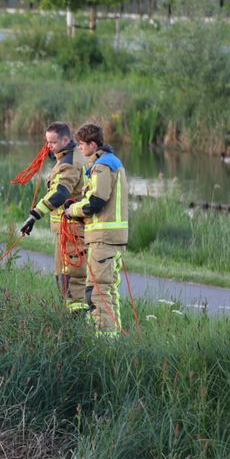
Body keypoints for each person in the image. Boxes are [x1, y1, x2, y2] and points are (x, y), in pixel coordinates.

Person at [64, 123, 129, 337]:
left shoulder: (102, 166)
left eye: (82, 145)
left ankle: (105, 340)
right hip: (110, 238)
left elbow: (96, 203)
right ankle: (114, 337)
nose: (79, 149)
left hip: (104, 239)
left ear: (93, 144)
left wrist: (72, 210)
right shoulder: (112, 163)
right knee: (108, 290)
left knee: (97, 292)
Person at [18, 121, 88, 313]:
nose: (49, 147)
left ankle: (77, 326)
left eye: (53, 143)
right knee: (65, 277)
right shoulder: (72, 156)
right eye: (47, 142)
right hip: (68, 230)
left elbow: (60, 194)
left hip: (72, 230)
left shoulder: (69, 165)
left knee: (71, 278)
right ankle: (72, 317)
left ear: (66, 139)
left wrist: (34, 215)